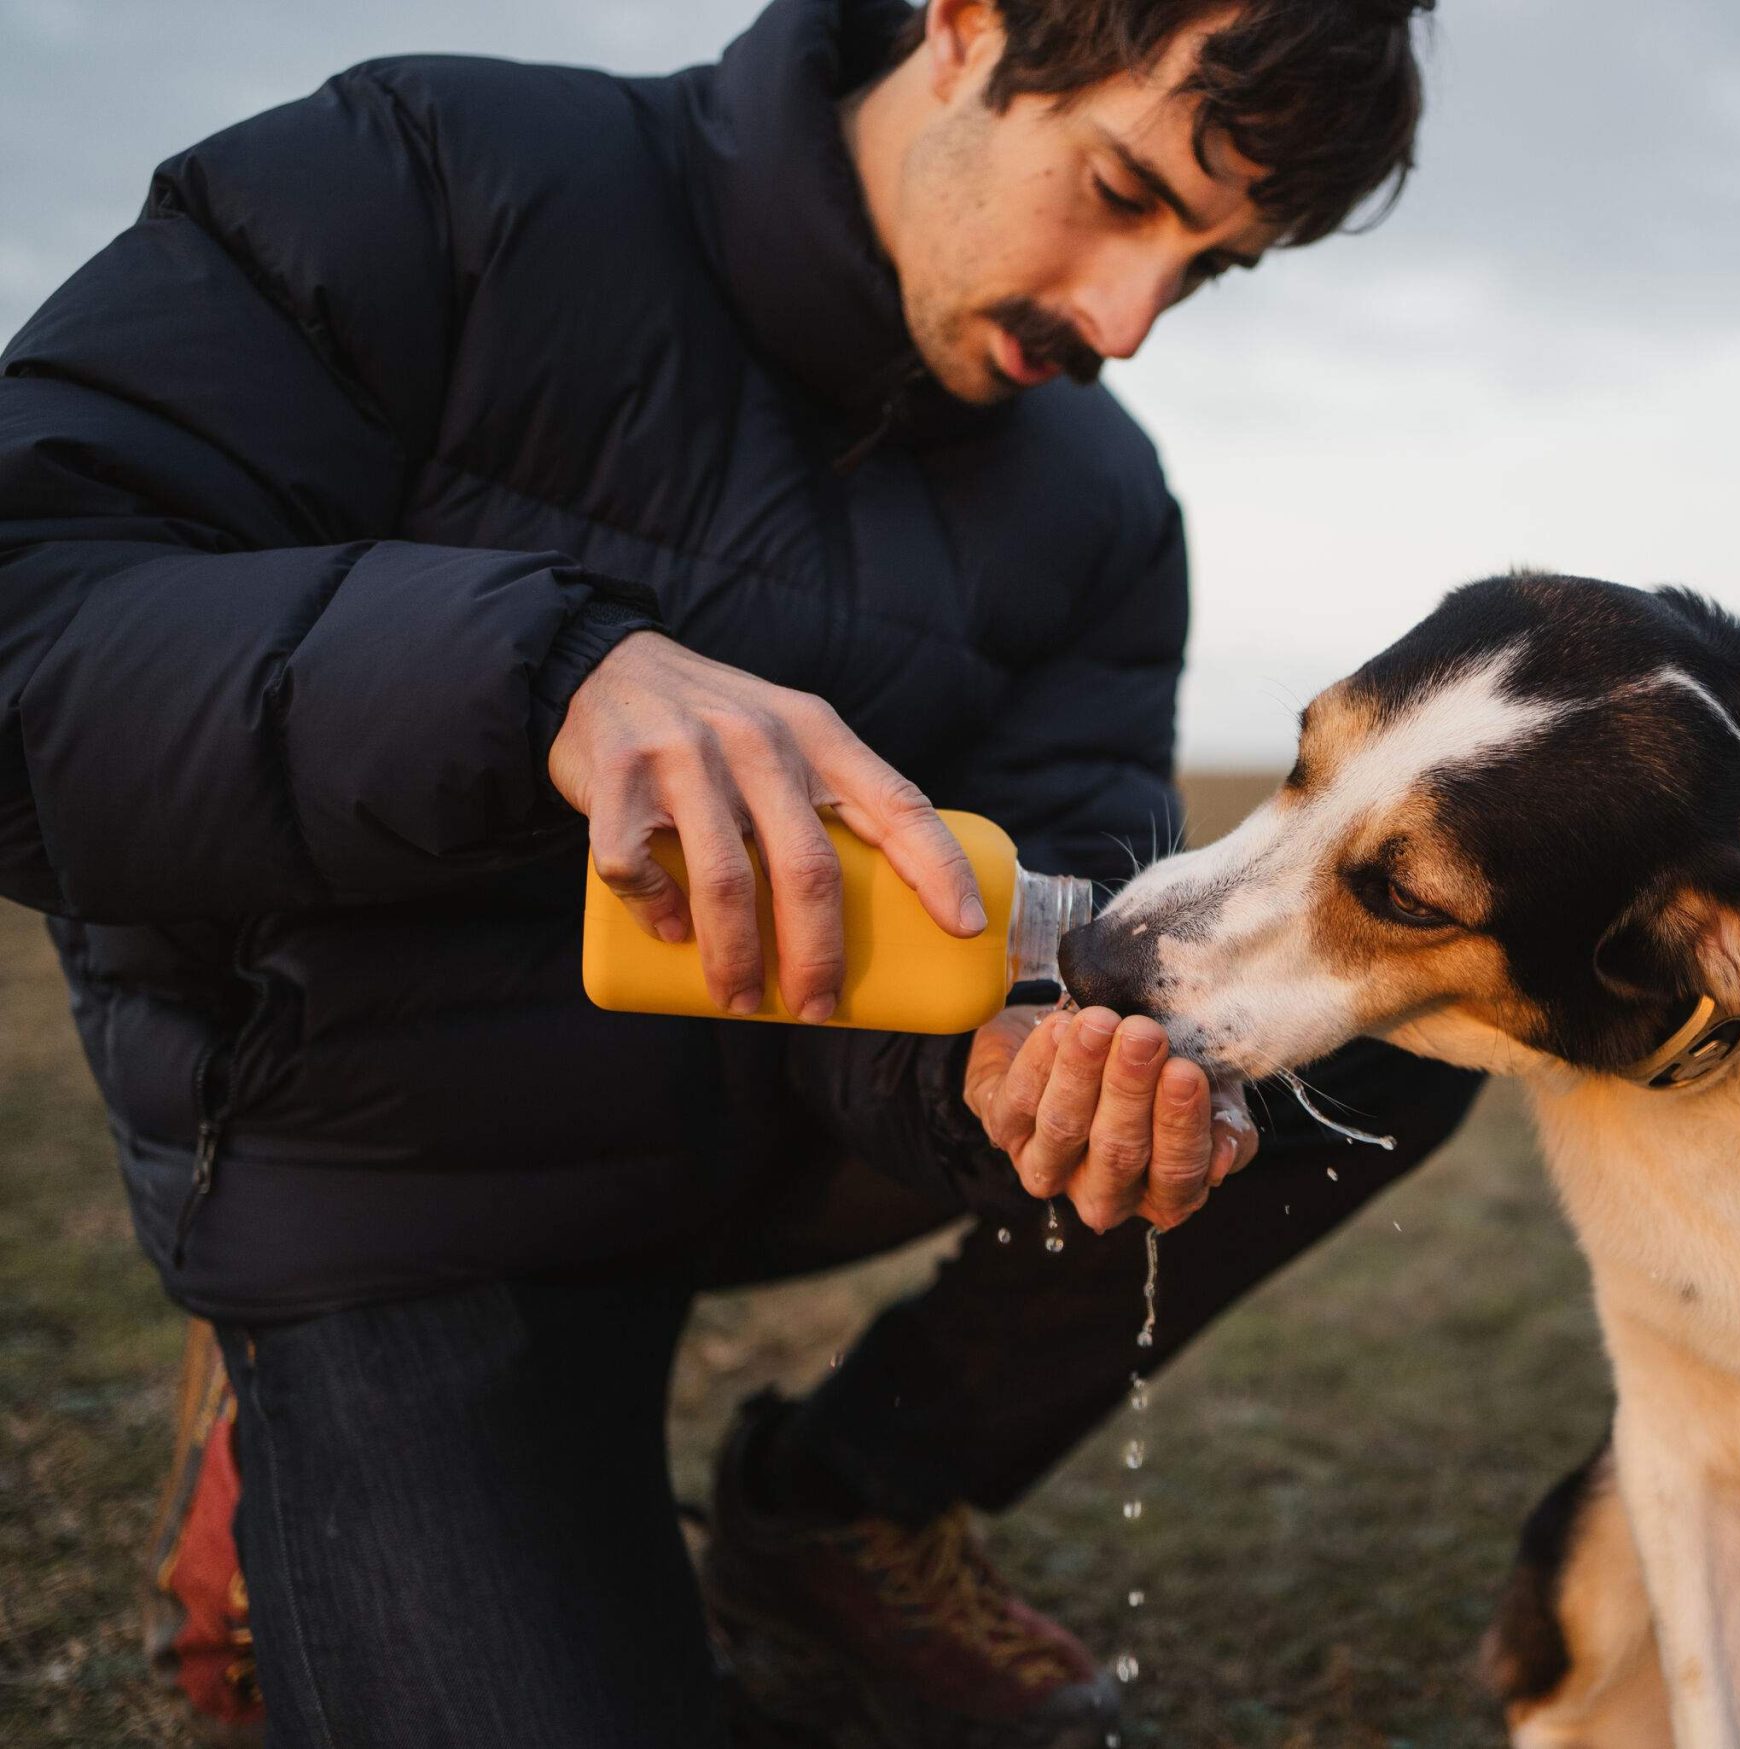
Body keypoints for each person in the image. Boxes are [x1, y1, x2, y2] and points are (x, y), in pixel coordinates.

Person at [0, 0, 1479, 1744]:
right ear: (964, 25)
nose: (1125, 319)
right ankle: (307, 1443)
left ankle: (844, 1498)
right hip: (400, 1182)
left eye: (1209, 267)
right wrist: (530, 676)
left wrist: (1012, 1065)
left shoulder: (1097, 498)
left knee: (1375, 1013)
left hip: (766, 1122)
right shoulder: (434, 181)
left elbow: (1048, 877)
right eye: (1120, 189)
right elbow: (36, 621)